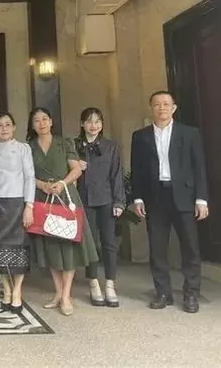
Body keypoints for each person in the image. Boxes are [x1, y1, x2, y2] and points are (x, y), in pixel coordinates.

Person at [131, 91, 209, 313]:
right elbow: (137, 169)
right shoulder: (141, 136)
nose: (162, 108)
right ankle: (163, 293)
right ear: (151, 108)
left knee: (190, 248)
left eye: (166, 104)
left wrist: (201, 199)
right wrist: (137, 197)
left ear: (174, 108)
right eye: (157, 104)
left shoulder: (189, 133)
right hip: (155, 197)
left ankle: (191, 294)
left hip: (184, 196)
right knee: (157, 249)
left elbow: (199, 167)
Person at [27, 107, 99, 316]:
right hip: (43, 198)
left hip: (65, 198)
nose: (41, 123)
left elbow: (76, 169)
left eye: (44, 119)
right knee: (50, 247)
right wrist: (41, 185)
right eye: (36, 120)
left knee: (67, 245)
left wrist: (62, 183)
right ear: (32, 125)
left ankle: (66, 295)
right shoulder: (28, 147)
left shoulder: (64, 143)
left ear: (51, 121)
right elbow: (25, 173)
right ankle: (58, 293)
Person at [75, 107, 125, 308]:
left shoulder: (111, 146)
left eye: (97, 121)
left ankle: (110, 284)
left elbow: (117, 174)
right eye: (89, 121)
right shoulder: (75, 145)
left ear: (102, 124)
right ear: (82, 124)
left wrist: (119, 201)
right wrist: (75, 165)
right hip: (84, 199)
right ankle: (93, 282)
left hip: (106, 199)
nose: (93, 125)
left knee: (109, 242)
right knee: (91, 244)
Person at [0, 112, 35, 313]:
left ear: (14, 127)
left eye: (8, 124)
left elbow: (29, 177)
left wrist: (29, 206)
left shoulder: (23, 149)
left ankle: (17, 292)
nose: (4, 128)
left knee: (18, 249)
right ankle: (6, 289)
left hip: (18, 204)